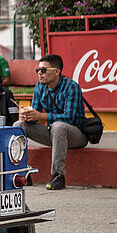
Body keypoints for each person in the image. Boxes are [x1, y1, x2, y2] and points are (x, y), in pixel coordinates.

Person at [19, 53, 87, 190]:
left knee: (58, 126)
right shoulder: (40, 87)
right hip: (53, 134)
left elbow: (70, 117)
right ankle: (22, 173)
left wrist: (42, 116)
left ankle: (58, 175)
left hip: (76, 135)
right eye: (37, 70)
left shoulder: (71, 87)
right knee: (19, 126)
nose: (39, 73)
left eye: (43, 70)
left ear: (56, 72)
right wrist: (27, 116)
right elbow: (36, 113)